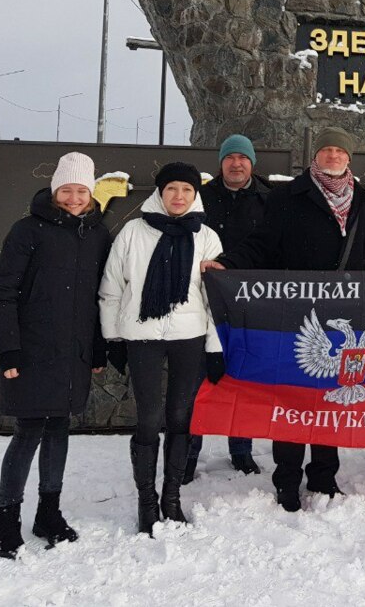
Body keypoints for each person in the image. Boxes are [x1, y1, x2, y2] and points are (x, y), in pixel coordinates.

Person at [208, 127, 365, 512]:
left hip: (344, 315)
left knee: (331, 400)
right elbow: (261, 244)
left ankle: (323, 475)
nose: (332, 155)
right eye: (326, 150)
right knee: (294, 399)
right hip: (296, 317)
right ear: (314, 157)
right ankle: (287, 479)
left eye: (339, 150)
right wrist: (228, 264)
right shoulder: (287, 197)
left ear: (349, 158)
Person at [0, 152, 112, 558]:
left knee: (59, 430)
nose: (74, 198)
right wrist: (8, 351)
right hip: (32, 350)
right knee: (28, 433)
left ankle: (48, 513)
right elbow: (4, 293)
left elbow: (99, 297)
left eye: (81, 191)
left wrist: (96, 348)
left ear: (91, 194)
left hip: (73, 353)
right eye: (67, 190)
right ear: (55, 190)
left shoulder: (97, 234)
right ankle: (6, 521)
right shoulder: (28, 231)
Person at [99, 162, 225, 535]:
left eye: (186, 190)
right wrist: (113, 338)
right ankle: (146, 502)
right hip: (142, 337)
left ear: (194, 194)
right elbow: (112, 288)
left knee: (180, 419)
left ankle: (172, 497)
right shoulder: (133, 232)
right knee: (149, 419)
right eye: (172, 189)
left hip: (189, 336)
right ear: (160, 192)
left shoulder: (206, 236)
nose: (179, 197)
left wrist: (214, 347)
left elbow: (215, 298)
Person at [184, 134, 270, 482]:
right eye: (230, 157)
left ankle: (242, 449)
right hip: (201, 300)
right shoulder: (199, 199)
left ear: (252, 163)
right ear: (220, 163)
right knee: (197, 380)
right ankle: (188, 454)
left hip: (249, 302)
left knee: (242, 377)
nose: (237, 164)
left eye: (243, 158)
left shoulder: (269, 199)